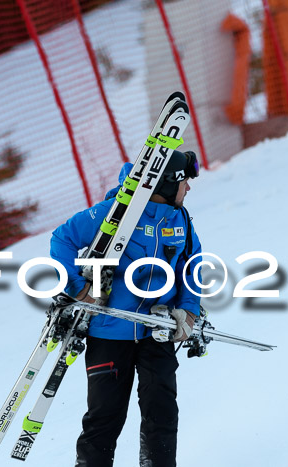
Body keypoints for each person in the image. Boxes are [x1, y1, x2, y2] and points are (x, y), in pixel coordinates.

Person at [50, 150, 203, 467]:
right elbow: (62, 239)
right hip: (108, 332)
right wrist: (77, 286)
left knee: (161, 408)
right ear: (164, 184)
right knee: (105, 415)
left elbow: (192, 267)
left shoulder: (181, 220)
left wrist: (187, 310)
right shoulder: (113, 212)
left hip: (156, 330)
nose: (188, 188)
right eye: (184, 181)